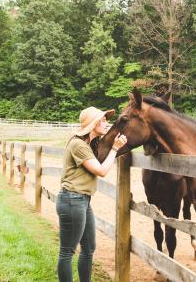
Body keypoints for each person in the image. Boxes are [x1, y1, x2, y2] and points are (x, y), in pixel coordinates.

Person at [56, 106, 127, 282]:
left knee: (88, 248)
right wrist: (115, 149)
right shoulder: (78, 144)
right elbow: (101, 171)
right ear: (92, 123)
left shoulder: (90, 144)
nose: (106, 123)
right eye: (102, 120)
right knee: (67, 251)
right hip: (72, 200)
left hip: (83, 201)